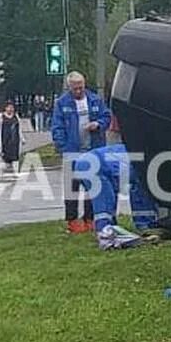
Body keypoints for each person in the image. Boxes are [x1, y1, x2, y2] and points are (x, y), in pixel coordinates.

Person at [52, 71, 112, 234]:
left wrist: (97, 124)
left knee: (91, 186)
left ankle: (89, 219)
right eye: (75, 89)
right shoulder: (62, 103)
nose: (79, 91)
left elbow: (106, 117)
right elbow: (57, 127)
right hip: (72, 151)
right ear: (69, 87)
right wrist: (63, 147)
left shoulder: (94, 100)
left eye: (81, 88)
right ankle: (72, 221)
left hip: (93, 150)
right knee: (72, 188)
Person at [74, 144, 158, 250]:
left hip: (86, 162)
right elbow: (140, 197)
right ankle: (105, 235)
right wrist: (146, 225)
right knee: (105, 202)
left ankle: (110, 230)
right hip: (94, 165)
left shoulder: (138, 151)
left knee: (107, 199)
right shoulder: (145, 166)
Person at [0, 101, 25, 175]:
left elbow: (19, 129)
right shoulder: (0, 116)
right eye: (9, 107)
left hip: (14, 141)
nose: (10, 109)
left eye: (12, 107)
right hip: (4, 141)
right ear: (5, 108)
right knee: (2, 157)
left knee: (15, 157)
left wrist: (22, 138)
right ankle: (1, 173)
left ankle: (16, 172)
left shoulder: (16, 116)